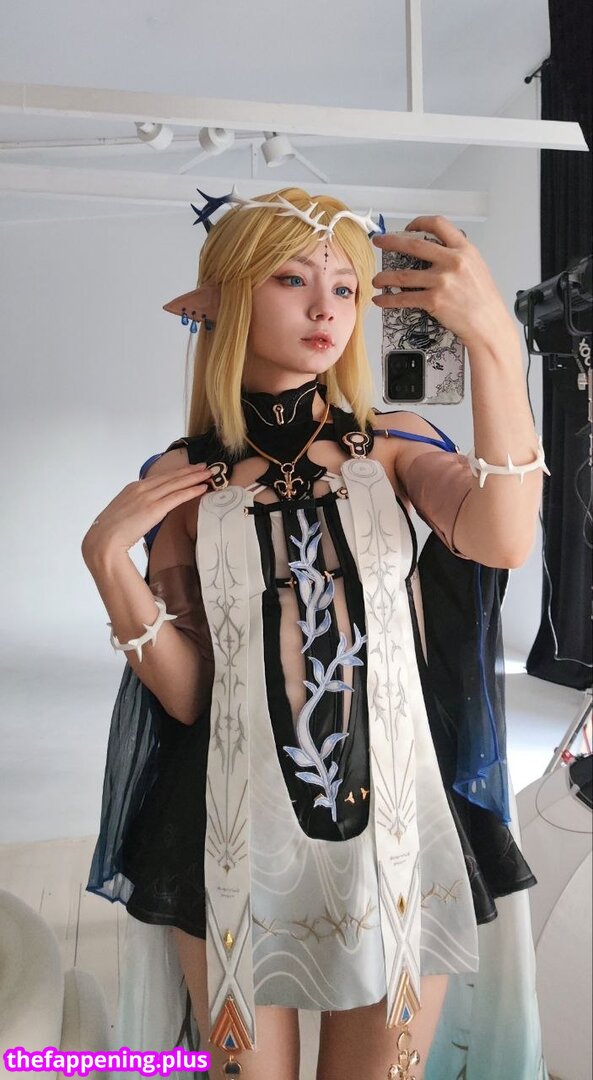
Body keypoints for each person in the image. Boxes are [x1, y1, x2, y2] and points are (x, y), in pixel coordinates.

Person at [82, 188, 548, 1079]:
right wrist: (107, 562)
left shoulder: (394, 446)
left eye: (343, 288)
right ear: (223, 300)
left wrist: (492, 339)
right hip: (229, 828)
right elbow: (190, 695)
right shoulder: (183, 479)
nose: (325, 310)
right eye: (291, 280)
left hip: (396, 832)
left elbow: (503, 539)